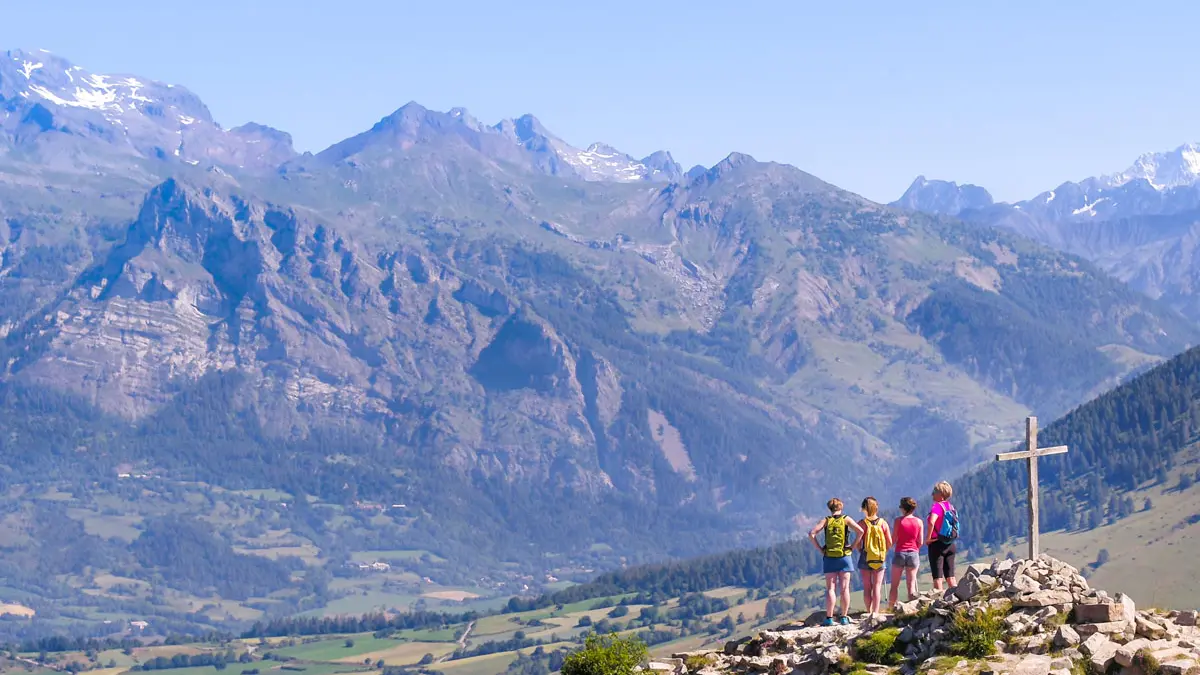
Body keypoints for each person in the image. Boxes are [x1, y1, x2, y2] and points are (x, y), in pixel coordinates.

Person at [809, 497, 865, 625]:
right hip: (844, 556)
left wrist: (820, 549)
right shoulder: (846, 519)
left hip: (829, 557)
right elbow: (861, 531)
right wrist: (853, 546)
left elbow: (811, 534)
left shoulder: (826, 520)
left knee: (831, 589)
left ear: (830, 508)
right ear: (841, 507)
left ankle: (829, 618)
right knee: (844, 588)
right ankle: (844, 617)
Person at [853, 496, 892, 616]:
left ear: (864, 508)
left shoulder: (861, 524)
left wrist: (861, 551)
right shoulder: (883, 523)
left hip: (865, 555)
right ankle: (875, 612)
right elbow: (889, 542)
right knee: (877, 586)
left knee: (867, 586)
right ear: (876, 508)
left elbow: (858, 543)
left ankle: (868, 611)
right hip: (880, 558)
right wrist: (882, 551)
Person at [888, 496, 924, 609]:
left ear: (903, 508)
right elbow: (921, 541)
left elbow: (893, 539)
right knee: (911, 585)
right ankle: (910, 609)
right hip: (913, 553)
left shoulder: (898, 521)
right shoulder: (919, 522)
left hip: (900, 552)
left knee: (894, 585)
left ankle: (891, 608)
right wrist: (915, 548)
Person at [927, 481, 959, 592]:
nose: (932, 494)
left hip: (937, 544)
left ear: (940, 495)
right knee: (951, 576)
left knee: (937, 577)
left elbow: (931, 522)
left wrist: (928, 538)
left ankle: (939, 603)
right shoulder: (951, 507)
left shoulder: (937, 506)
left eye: (934, 492)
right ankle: (957, 600)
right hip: (950, 544)